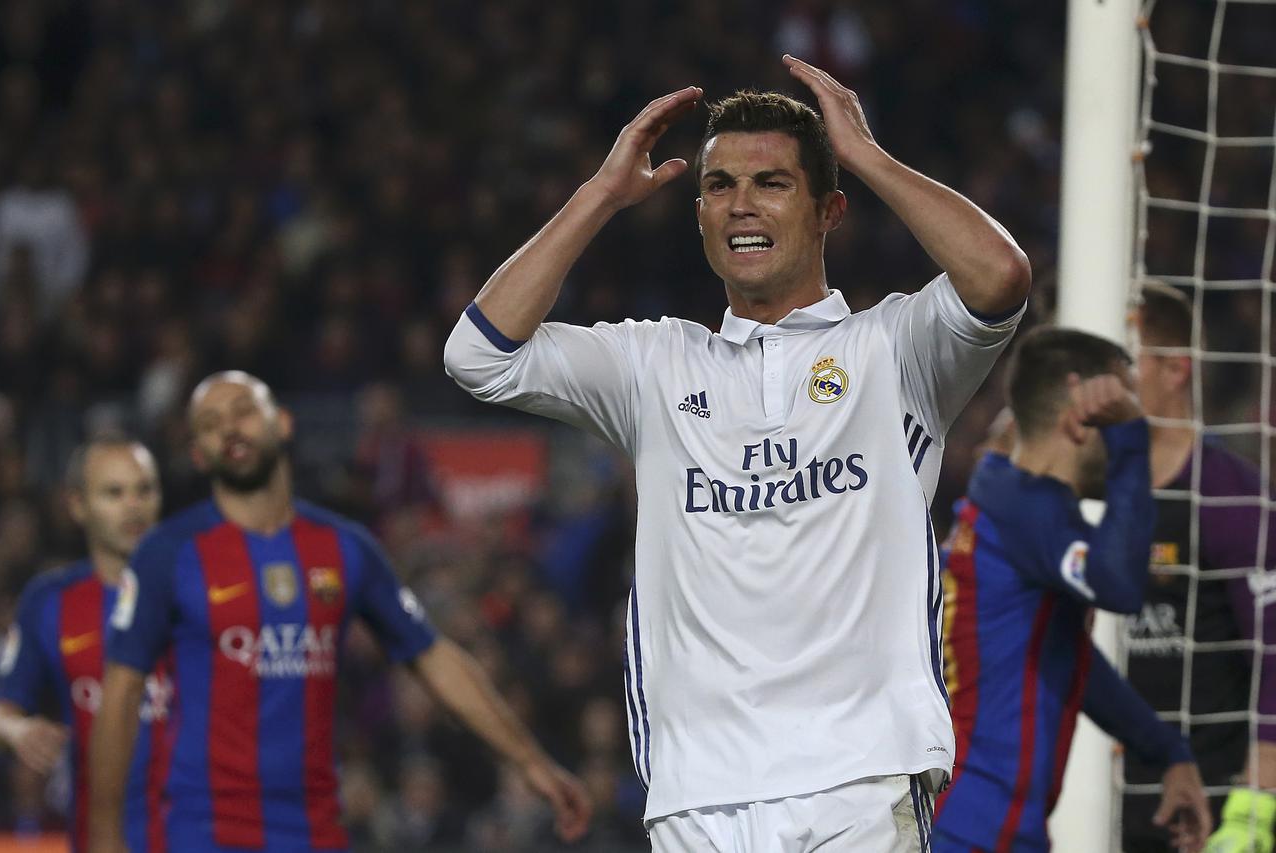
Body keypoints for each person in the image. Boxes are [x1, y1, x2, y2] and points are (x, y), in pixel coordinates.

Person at [444, 54, 1032, 851]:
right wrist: (598, 197)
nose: (740, 205)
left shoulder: (895, 348)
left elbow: (999, 276)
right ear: (697, 213)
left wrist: (865, 153)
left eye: (773, 182)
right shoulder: (655, 365)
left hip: (859, 775)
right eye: (719, 186)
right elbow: (478, 355)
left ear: (830, 210)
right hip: (700, 790)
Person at [87, 371, 591, 853]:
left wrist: (529, 760)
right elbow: (120, 692)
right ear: (198, 454)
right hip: (204, 830)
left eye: (242, 411)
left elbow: (433, 657)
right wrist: (106, 833)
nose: (229, 430)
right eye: (211, 425)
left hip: (317, 829)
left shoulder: (345, 548)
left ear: (282, 422)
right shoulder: (167, 554)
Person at [930, 327, 1211, 852]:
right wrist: (1128, 448)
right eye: (1123, 415)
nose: (1138, 434)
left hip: (974, 821)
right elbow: (1121, 588)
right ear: (1082, 418)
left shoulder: (1007, 502)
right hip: (976, 827)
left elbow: (1064, 657)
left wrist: (1167, 750)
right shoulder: (1028, 512)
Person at [1122, 282, 1276, 853]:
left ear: (1174, 369)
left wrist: (1258, 795)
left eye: (1123, 362)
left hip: (1208, 797)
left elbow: (1272, 648)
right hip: (1096, 786)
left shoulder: (1229, 496)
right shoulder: (1083, 494)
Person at [0, 436, 169, 852]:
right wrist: (18, 730)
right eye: (114, 492)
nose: (133, 505)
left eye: (144, 490)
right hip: (98, 838)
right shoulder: (49, 600)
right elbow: (1, 708)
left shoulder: (199, 589)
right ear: (77, 506)